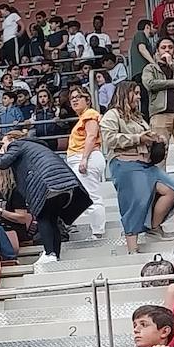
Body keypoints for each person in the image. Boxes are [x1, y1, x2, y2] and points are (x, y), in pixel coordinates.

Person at [100, 80, 174, 254]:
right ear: (124, 94)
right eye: (135, 93)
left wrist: (156, 139)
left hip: (146, 164)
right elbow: (110, 139)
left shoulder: (137, 117)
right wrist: (139, 138)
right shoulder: (112, 115)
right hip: (125, 163)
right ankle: (132, 249)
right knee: (134, 203)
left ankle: (153, 227)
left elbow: (144, 136)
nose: (138, 97)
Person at [0, 132, 90, 270]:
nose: (4, 146)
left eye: (4, 143)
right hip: (66, 184)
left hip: (48, 183)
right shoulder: (38, 146)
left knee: (43, 217)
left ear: (12, 140)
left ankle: (49, 253)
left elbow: (2, 164)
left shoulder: (17, 144)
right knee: (52, 219)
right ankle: (54, 254)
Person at [142, 35, 174, 181]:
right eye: (163, 47)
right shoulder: (150, 68)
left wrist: (172, 64)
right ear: (157, 51)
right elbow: (150, 84)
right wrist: (172, 83)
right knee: (160, 151)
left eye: (170, 47)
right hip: (160, 115)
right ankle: (163, 185)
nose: (167, 50)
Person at [65, 86, 108, 239]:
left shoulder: (90, 114)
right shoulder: (83, 117)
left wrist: (84, 158)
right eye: (72, 98)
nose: (75, 100)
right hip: (83, 158)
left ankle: (98, 232)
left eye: (78, 97)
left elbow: (91, 137)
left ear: (87, 99)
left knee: (92, 196)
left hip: (86, 158)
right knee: (87, 196)